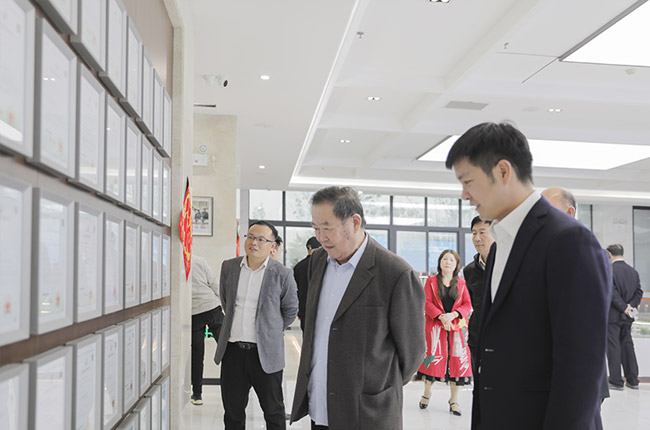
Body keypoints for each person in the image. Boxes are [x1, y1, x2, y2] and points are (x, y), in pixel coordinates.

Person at [445, 122, 609, 429]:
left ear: (503, 171)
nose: (464, 195)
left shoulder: (568, 240)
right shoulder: (500, 246)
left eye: (468, 181)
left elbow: (581, 369)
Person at [290, 186, 425, 430]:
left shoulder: (395, 273)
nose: (321, 237)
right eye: (316, 228)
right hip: (320, 406)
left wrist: (374, 384)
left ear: (354, 222)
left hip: (366, 413)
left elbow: (412, 353)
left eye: (327, 228)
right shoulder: (317, 261)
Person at [214, 221, 299, 430]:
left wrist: (269, 329)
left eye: (261, 239)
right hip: (233, 352)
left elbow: (290, 311)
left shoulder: (282, 274)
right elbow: (226, 302)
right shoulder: (229, 267)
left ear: (272, 245)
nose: (254, 243)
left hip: (265, 354)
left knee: (273, 412)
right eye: (251, 237)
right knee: (232, 413)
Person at [542, 186, 611, 407]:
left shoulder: (589, 252)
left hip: (579, 375)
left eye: (547, 211)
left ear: (569, 212)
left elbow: (589, 319)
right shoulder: (546, 252)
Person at [417, 249, 472, 416]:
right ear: (440, 262)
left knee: (457, 364)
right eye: (445, 259)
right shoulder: (431, 282)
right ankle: (426, 393)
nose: (448, 262)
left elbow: (467, 304)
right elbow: (426, 302)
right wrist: (441, 317)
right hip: (436, 327)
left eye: (451, 260)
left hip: (457, 329)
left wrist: (453, 315)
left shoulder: (461, 283)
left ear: (456, 265)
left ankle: (453, 401)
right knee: (432, 360)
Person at [605, 243, 643, 390]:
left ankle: (616, 381)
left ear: (610, 254)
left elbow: (612, 292)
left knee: (613, 346)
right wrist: (630, 307)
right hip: (628, 317)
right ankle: (633, 380)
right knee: (627, 345)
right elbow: (639, 292)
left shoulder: (610, 270)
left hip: (613, 316)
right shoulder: (633, 272)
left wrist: (623, 307)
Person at [190, 255, 225, 405]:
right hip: (211, 308)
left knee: (197, 356)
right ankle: (237, 386)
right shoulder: (198, 260)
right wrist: (222, 304)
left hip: (193, 313)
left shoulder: (174, 262)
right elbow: (214, 283)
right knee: (228, 348)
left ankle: (197, 395)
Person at [462, 216, 494, 378]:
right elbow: (474, 303)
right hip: (478, 337)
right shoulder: (469, 271)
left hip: (504, 338)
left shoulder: (508, 265)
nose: (477, 238)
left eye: (482, 232)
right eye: (474, 233)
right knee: (480, 383)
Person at [293, 236, 321, 331]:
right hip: (319, 310)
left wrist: (299, 311)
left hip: (304, 311)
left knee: (306, 337)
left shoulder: (298, 267)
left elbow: (295, 291)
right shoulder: (322, 265)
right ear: (320, 248)